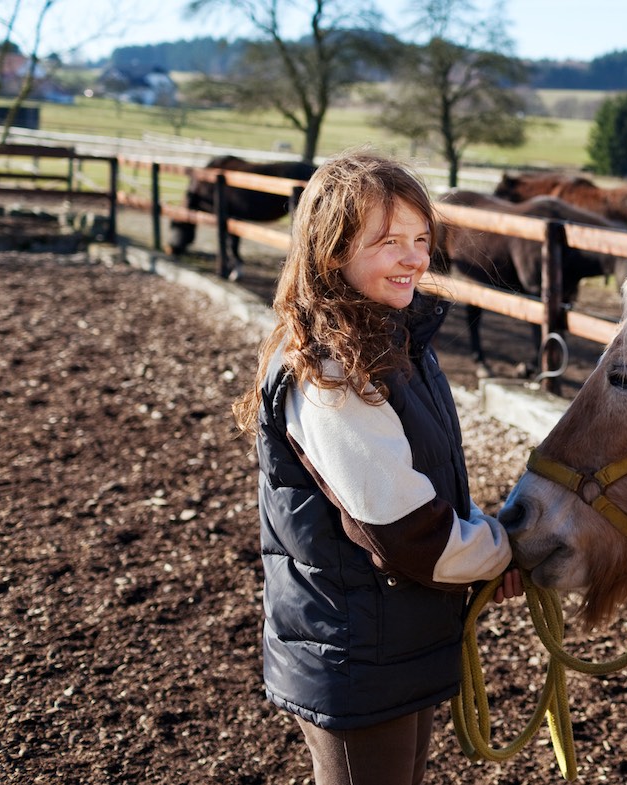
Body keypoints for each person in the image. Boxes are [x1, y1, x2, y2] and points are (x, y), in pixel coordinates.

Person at [232, 149, 522, 785]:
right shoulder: (331, 371)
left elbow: (433, 486)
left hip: (392, 636)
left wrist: (483, 546)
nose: (415, 258)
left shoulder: (395, 343)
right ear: (333, 251)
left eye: (421, 239)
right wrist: (504, 553)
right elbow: (405, 528)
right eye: (389, 242)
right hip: (358, 648)